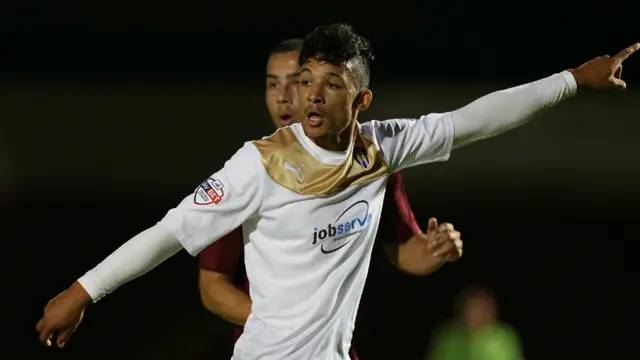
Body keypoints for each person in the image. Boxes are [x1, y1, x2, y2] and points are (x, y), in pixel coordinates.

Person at [36, 23, 638, 359]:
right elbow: (168, 234)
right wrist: (80, 291)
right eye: (305, 82)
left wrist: (572, 81)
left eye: (330, 84)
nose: (313, 96)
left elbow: (476, 118)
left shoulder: (382, 149)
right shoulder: (258, 165)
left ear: (362, 100)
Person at [197, 38, 452, 359]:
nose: (283, 97)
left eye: (298, 82)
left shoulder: (371, 162)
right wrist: (289, 331)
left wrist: (434, 250)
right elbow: (212, 286)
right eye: (272, 85)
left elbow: (403, 250)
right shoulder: (247, 175)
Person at [426, 284, 523, 360]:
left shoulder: (505, 337)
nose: (477, 313)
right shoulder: (448, 337)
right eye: (471, 307)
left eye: (483, 307)